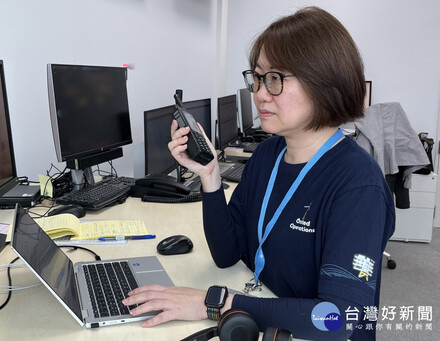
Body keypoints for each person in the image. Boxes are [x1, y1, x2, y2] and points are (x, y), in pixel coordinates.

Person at [122, 6, 395, 340]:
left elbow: (337, 319)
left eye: (275, 79)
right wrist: (210, 176)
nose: (260, 93)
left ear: (325, 83)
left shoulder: (357, 184)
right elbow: (227, 255)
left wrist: (217, 304)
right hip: (270, 319)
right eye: (257, 78)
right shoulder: (269, 154)